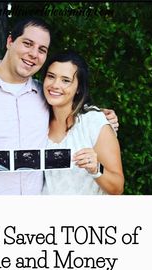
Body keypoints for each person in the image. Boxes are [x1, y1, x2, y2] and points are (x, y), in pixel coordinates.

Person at [0, 17, 119, 195]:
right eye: (27, 43)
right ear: (10, 41)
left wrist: (97, 117)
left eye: (42, 49)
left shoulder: (44, 94)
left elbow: (70, 112)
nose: (33, 54)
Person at [42, 51, 124, 194]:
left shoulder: (93, 122)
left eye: (66, 80)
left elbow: (117, 187)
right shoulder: (37, 120)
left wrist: (96, 168)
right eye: (51, 76)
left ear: (79, 88)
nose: (55, 85)